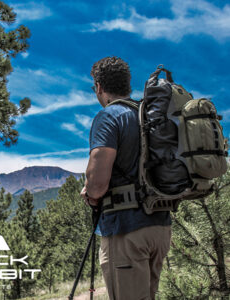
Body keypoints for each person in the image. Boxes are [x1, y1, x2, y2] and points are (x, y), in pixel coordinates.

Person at [80, 56, 172, 300]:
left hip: (126, 229)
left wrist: (89, 193)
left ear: (99, 87)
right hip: (160, 225)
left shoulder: (109, 117)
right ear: (127, 84)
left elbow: (98, 185)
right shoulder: (146, 115)